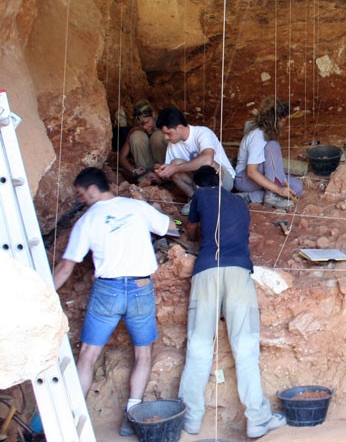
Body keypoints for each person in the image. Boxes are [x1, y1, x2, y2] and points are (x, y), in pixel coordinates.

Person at [53, 167, 174, 437]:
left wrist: (45, 292)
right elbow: (170, 226)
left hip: (107, 290)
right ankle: (131, 417)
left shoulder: (87, 221)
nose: (81, 199)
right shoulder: (136, 207)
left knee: (88, 355)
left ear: (93, 189)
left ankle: (74, 419)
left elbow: (66, 266)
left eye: (81, 193)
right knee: (143, 354)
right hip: (141, 287)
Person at [178, 166, 286, 438]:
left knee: (199, 345)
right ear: (220, 182)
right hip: (239, 272)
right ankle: (258, 419)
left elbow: (191, 228)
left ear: (199, 185)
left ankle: (190, 419)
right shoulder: (239, 201)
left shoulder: (201, 196)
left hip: (206, 271)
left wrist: (191, 240)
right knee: (246, 346)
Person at [154, 107, 236, 215]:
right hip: (199, 183)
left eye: (168, 133)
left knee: (209, 165)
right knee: (174, 165)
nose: (165, 137)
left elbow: (207, 160)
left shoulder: (202, 132)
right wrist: (162, 172)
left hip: (223, 180)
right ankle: (197, 200)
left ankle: (215, 201)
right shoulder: (172, 144)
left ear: (179, 128)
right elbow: (172, 171)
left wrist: (175, 168)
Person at [234, 96, 302, 210]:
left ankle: (249, 196)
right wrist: (278, 189)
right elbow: (251, 172)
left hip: (259, 174)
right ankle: (271, 195)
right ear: (273, 120)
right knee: (273, 146)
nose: (283, 122)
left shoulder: (266, 131)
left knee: (297, 188)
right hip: (243, 178)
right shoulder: (257, 136)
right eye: (282, 120)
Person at [118, 99, 166, 183]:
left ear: (153, 115)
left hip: (164, 171)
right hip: (146, 173)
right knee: (136, 136)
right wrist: (133, 171)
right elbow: (122, 157)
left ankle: (163, 177)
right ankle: (145, 178)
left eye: (147, 122)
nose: (144, 127)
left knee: (157, 136)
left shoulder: (164, 126)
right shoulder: (137, 129)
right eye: (141, 124)